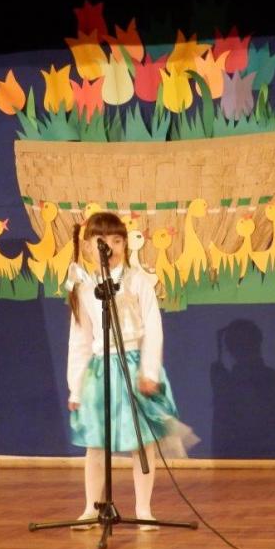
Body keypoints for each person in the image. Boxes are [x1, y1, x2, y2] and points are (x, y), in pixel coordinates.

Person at [65, 211, 194, 530]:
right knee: (96, 444)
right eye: (101, 241)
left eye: (116, 240)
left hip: (133, 365)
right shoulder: (84, 287)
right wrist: (76, 387)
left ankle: (144, 509)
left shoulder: (137, 281)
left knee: (142, 442)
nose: (109, 247)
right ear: (88, 246)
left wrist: (149, 371)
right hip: (100, 371)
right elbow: (79, 340)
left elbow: (153, 329)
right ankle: (92, 507)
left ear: (124, 244)